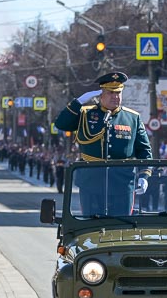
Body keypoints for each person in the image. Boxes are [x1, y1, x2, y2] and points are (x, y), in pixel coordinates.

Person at [53, 71, 153, 216]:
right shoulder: (85, 114)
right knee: (91, 227)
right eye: (110, 93)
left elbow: (144, 151)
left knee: (121, 228)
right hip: (91, 182)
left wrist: (144, 176)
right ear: (100, 95)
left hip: (122, 183)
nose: (115, 96)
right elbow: (61, 124)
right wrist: (78, 103)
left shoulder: (132, 118)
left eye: (118, 93)